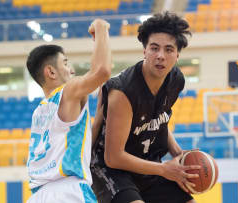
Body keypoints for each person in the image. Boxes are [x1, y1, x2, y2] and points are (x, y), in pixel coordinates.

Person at [91, 12, 200, 203]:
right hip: (111, 170)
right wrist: (164, 169)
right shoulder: (123, 92)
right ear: (144, 51)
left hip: (146, 165)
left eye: (168, 50)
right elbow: (113, 157)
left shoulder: (176, 80)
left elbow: (158, 120)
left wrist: (178, 153)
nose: (160, 56)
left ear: (177, 55)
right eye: (154, 48)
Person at [26, 19, 111, 203]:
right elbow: (102, 71)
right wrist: (101, 29)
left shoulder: (39, 112)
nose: (71, 70)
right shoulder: (69, 91)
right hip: (68, 192)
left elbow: (82, 140)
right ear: (51, 72)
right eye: (65, 63)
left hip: (37, 195)